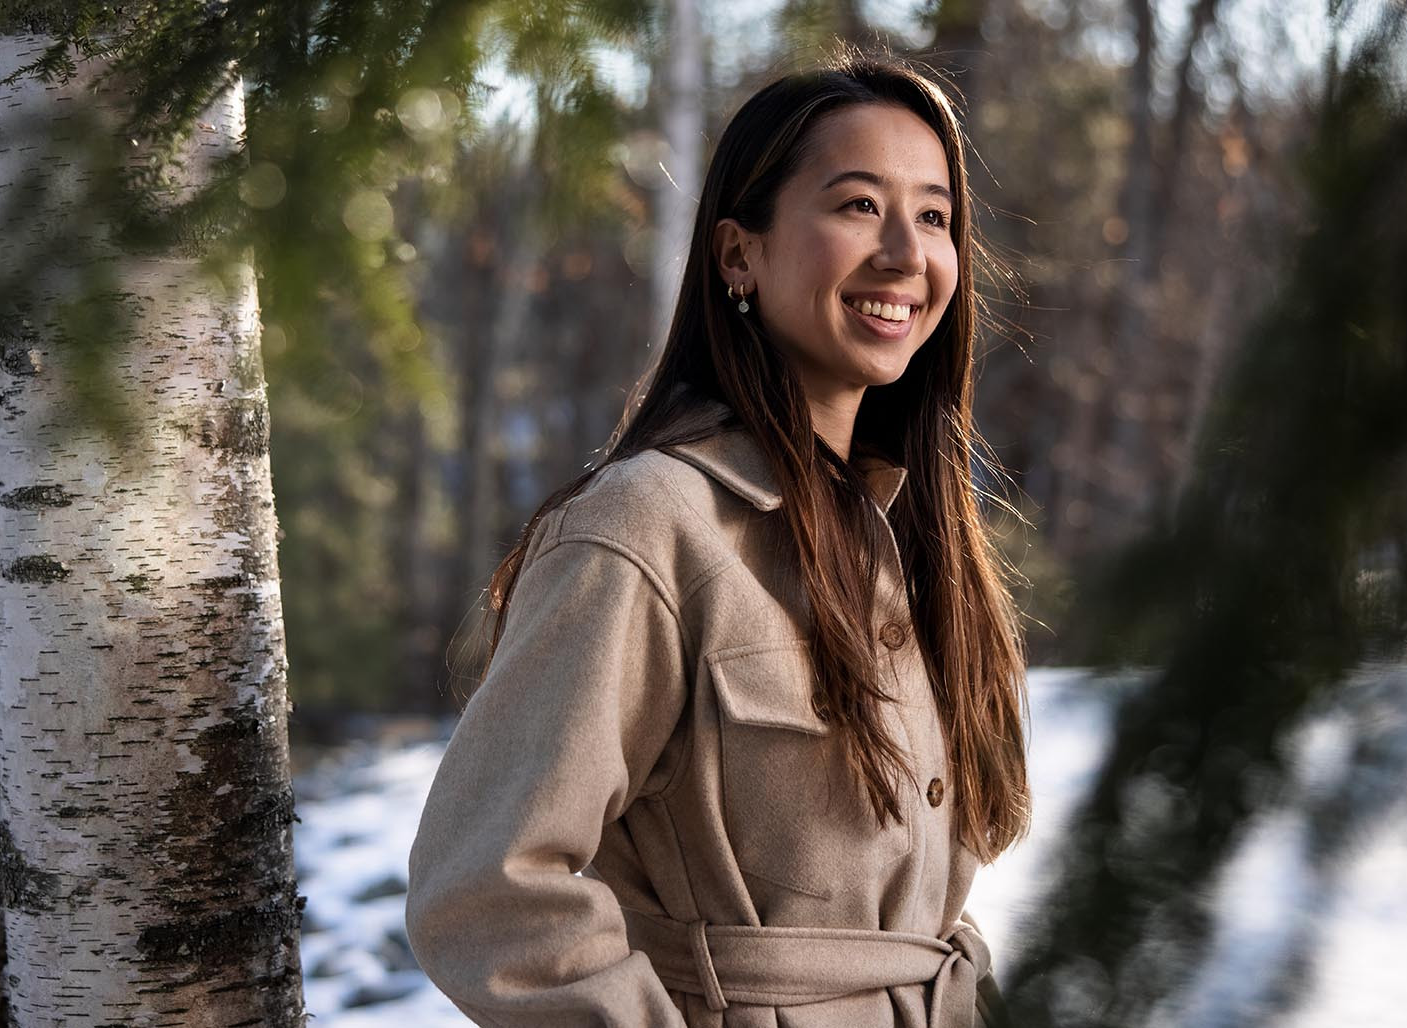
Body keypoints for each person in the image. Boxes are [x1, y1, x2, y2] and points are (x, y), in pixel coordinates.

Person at [405, 50, 1031, 1028]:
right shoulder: (645, 524)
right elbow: (487, 887)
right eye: (859, 205)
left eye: (935, 215)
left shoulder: (915, 537)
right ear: (739, 253)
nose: (909, 253)